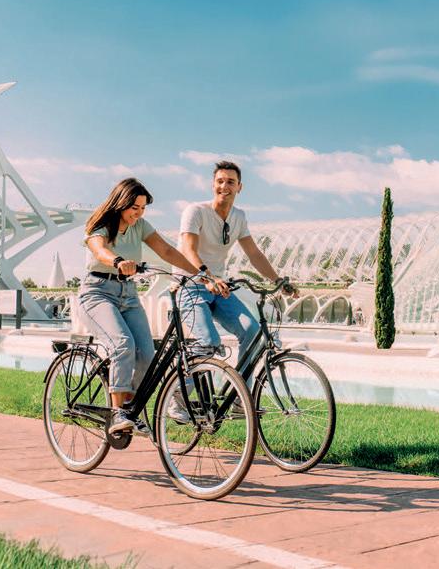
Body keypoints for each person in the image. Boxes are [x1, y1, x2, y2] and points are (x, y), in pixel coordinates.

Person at [172, 161, 296, 424]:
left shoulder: (238, 216)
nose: (224, 186)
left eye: (230, 182)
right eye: (220, 181)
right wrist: (207, 276)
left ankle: (240, 398)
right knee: (208, 341)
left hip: (219, 287)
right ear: (212, 184)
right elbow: (188, 250)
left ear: (240, 187)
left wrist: (278, 280)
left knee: (252, 332)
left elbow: (254, 253)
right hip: (190, 285)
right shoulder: (195, 211)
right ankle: (177, 399)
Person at [79, 178, 200, 436]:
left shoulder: (141, 226)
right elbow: (99, 251)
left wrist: (200, 274)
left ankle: (130, 409)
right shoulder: (101, 225)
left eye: (143, 208)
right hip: (97, 293)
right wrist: (118, 261)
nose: (139, 213)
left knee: (147, 355)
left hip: (129, 294)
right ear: (121, 203)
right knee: (122, 345)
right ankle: (117, 413)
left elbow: (167, 251)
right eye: (135, 207)